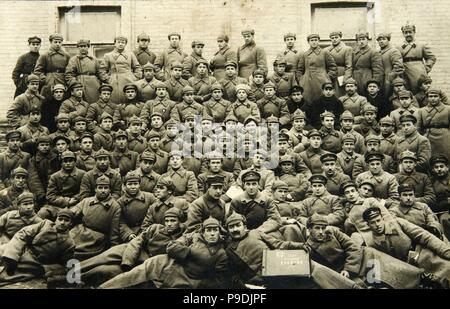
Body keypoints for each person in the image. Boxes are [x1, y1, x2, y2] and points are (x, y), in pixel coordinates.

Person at [224, 212, 360, 289]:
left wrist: (299, 246)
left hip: (279, 265)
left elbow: (279, 244)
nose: (235, 229)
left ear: (244, 226)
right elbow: (233, 275)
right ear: (228, 230)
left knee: (311, 266)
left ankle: (351, 287)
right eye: (232, 227)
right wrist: (249, 287)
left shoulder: (256, 233)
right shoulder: (229, 249)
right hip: (262, 280)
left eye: (238, 225)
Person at [100, 217, 229, 289]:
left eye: (215, 230)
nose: (212, 233)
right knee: (131, 276)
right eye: (209, 230)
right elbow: (171, 246)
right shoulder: (193, 237)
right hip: (164, 264)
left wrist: (197, 283)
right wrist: (188, 252)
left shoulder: (220, 253)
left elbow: (218, 279)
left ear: (219, 232)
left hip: (186, 281)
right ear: (203, 232)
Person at [78, 207, 185, 286]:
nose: (169, 224)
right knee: (105, 256)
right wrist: (128, 261)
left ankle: (80, 278)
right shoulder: (155, 228)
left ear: (180, 222)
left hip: (147, 262)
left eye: (173, 221)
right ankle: (74, 269)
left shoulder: (182, 238)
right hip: (134, 250)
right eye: (167, 221)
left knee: (107, 270)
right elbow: (137, 241)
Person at [362, 206, 450, 288]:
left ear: (383, 219)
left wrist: (446, 251)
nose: (377, 225)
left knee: (446, 268)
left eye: (378, 220)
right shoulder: (371, 243)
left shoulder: (397, 223)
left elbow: (425, 236)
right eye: (372, 223)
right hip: (406, 270)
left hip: (421, 255)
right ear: (367, 225)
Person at [0, 208, 74, 287]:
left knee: (7, 275)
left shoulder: (69, 243)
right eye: (60, 219)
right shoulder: (45, 224)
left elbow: (64, 264)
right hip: (24, 249)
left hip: (34, 263)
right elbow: (23, 233)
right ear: (56, 220)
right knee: (4, 251)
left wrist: (45, 269)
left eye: (66, 220)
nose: (62, 222)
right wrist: (12, 255)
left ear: (71, 224)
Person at [71, 175, 121, 260]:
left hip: (96, 240)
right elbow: (72, 212)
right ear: (95, 189)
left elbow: (114, 231)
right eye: (100, 188)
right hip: (79, 231)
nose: (103, 190)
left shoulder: (115, 206)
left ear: (110, 190)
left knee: (77, 255)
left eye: (106, 188)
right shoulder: (87, 201)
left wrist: (114, 248)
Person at [230, 170, 282, 234]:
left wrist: (259, 231)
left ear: (258, 185)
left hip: (265, 232)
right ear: (244, 186)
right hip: (243, 233)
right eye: (248, 184)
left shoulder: (267, 200)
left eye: (254, 184)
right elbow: (231, 221)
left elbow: (275, 220)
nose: (251, 187)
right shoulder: (236, 201)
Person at [39, 151, 85, 221]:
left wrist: (75, 199)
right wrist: (67, 201)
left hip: (77, 204)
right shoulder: (55, 177)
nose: (68, 163)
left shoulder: (82, 174)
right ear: (61, 163)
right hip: (58, 206)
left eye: (70, 161)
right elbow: (50, 196)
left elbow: (85, 191)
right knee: (43, 212)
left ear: (75, 162)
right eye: (65, 161)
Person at [99, 35, 142, 103]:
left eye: (123, 42)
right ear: (115, 43)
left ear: (125, 44)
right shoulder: (108, 55)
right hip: (114, 81)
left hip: (129, 80)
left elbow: (137, 67)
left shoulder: (130, 55)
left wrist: (134, 78)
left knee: (128, 99)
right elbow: (102, 70)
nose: (120, 44)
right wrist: (108, 79)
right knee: (115, 100)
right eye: (118, 42)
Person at [296, 34, 337, 104]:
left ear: (318, 41)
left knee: (322, 100)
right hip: (307, 83)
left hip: (322, 82)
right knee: (308, 101)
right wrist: (301, 80)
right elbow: (299, 69)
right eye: (312, 40)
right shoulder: (304, 54)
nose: (314, 42)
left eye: (316, 40)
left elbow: (332, 67)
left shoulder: (325, 52)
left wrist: (327, 77)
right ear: (308, 42)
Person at [398, 23, 436, 94]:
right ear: (403, 34)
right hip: (405, 73)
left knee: (420, 92)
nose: (408, 34)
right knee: (407, 92)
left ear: (414, 32)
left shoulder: (421, 45)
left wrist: (425, 69)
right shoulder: (398, 47)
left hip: (418, 73)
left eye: (410, 32)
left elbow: (431, 58)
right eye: (406, 32)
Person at [33, 33, 70, 102]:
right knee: (48, 101)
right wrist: (45, 79)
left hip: (62, 81)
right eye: (55, 42)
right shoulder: (45, 55)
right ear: (51, 42)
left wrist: (67, 81)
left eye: (59, 42)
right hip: (50, 81)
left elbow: (70, 70)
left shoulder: (66, 56)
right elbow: (37, 71)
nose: (58, 44)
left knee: (62, 101)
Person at [416, 88, 450, 160]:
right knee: (428, 157)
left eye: (435, 96)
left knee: (445, 156)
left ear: (440, 98)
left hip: (444, 138)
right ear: (427, 98)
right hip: (428, 137)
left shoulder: (448, 109)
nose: (433, 98)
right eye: (430, 96)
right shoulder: (422, 111)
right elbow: (418, 128)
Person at [65, 39, 102, 103]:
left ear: (88, 47)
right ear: (78, 48)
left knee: (94, 102)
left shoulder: (93, 59)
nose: (83, 48)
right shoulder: (74, 59)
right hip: (80, 84)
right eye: (81, 46)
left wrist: (99, 82)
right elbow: (69, 74)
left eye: (85, 46)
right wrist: (75, 85)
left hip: (94, 84)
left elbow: (100, 72)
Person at [324, 31, 353, 98]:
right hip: (330, 74)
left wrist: (346, 78)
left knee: (340, 93)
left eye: (336, 37)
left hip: (341, 74)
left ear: (340, 38)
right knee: (329, 91)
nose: (334, 39)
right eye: (332, 38)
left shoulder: (347, 49)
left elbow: (349, 65)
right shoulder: (326, 50)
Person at [376, 33, 404, 97]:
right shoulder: (378, 53)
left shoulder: (393, 51)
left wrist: (389, 78)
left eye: (384, 39)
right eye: (379, 40)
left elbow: (398, 67)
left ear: (388, 40)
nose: (381, 41)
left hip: (390, 81)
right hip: (380, 80)